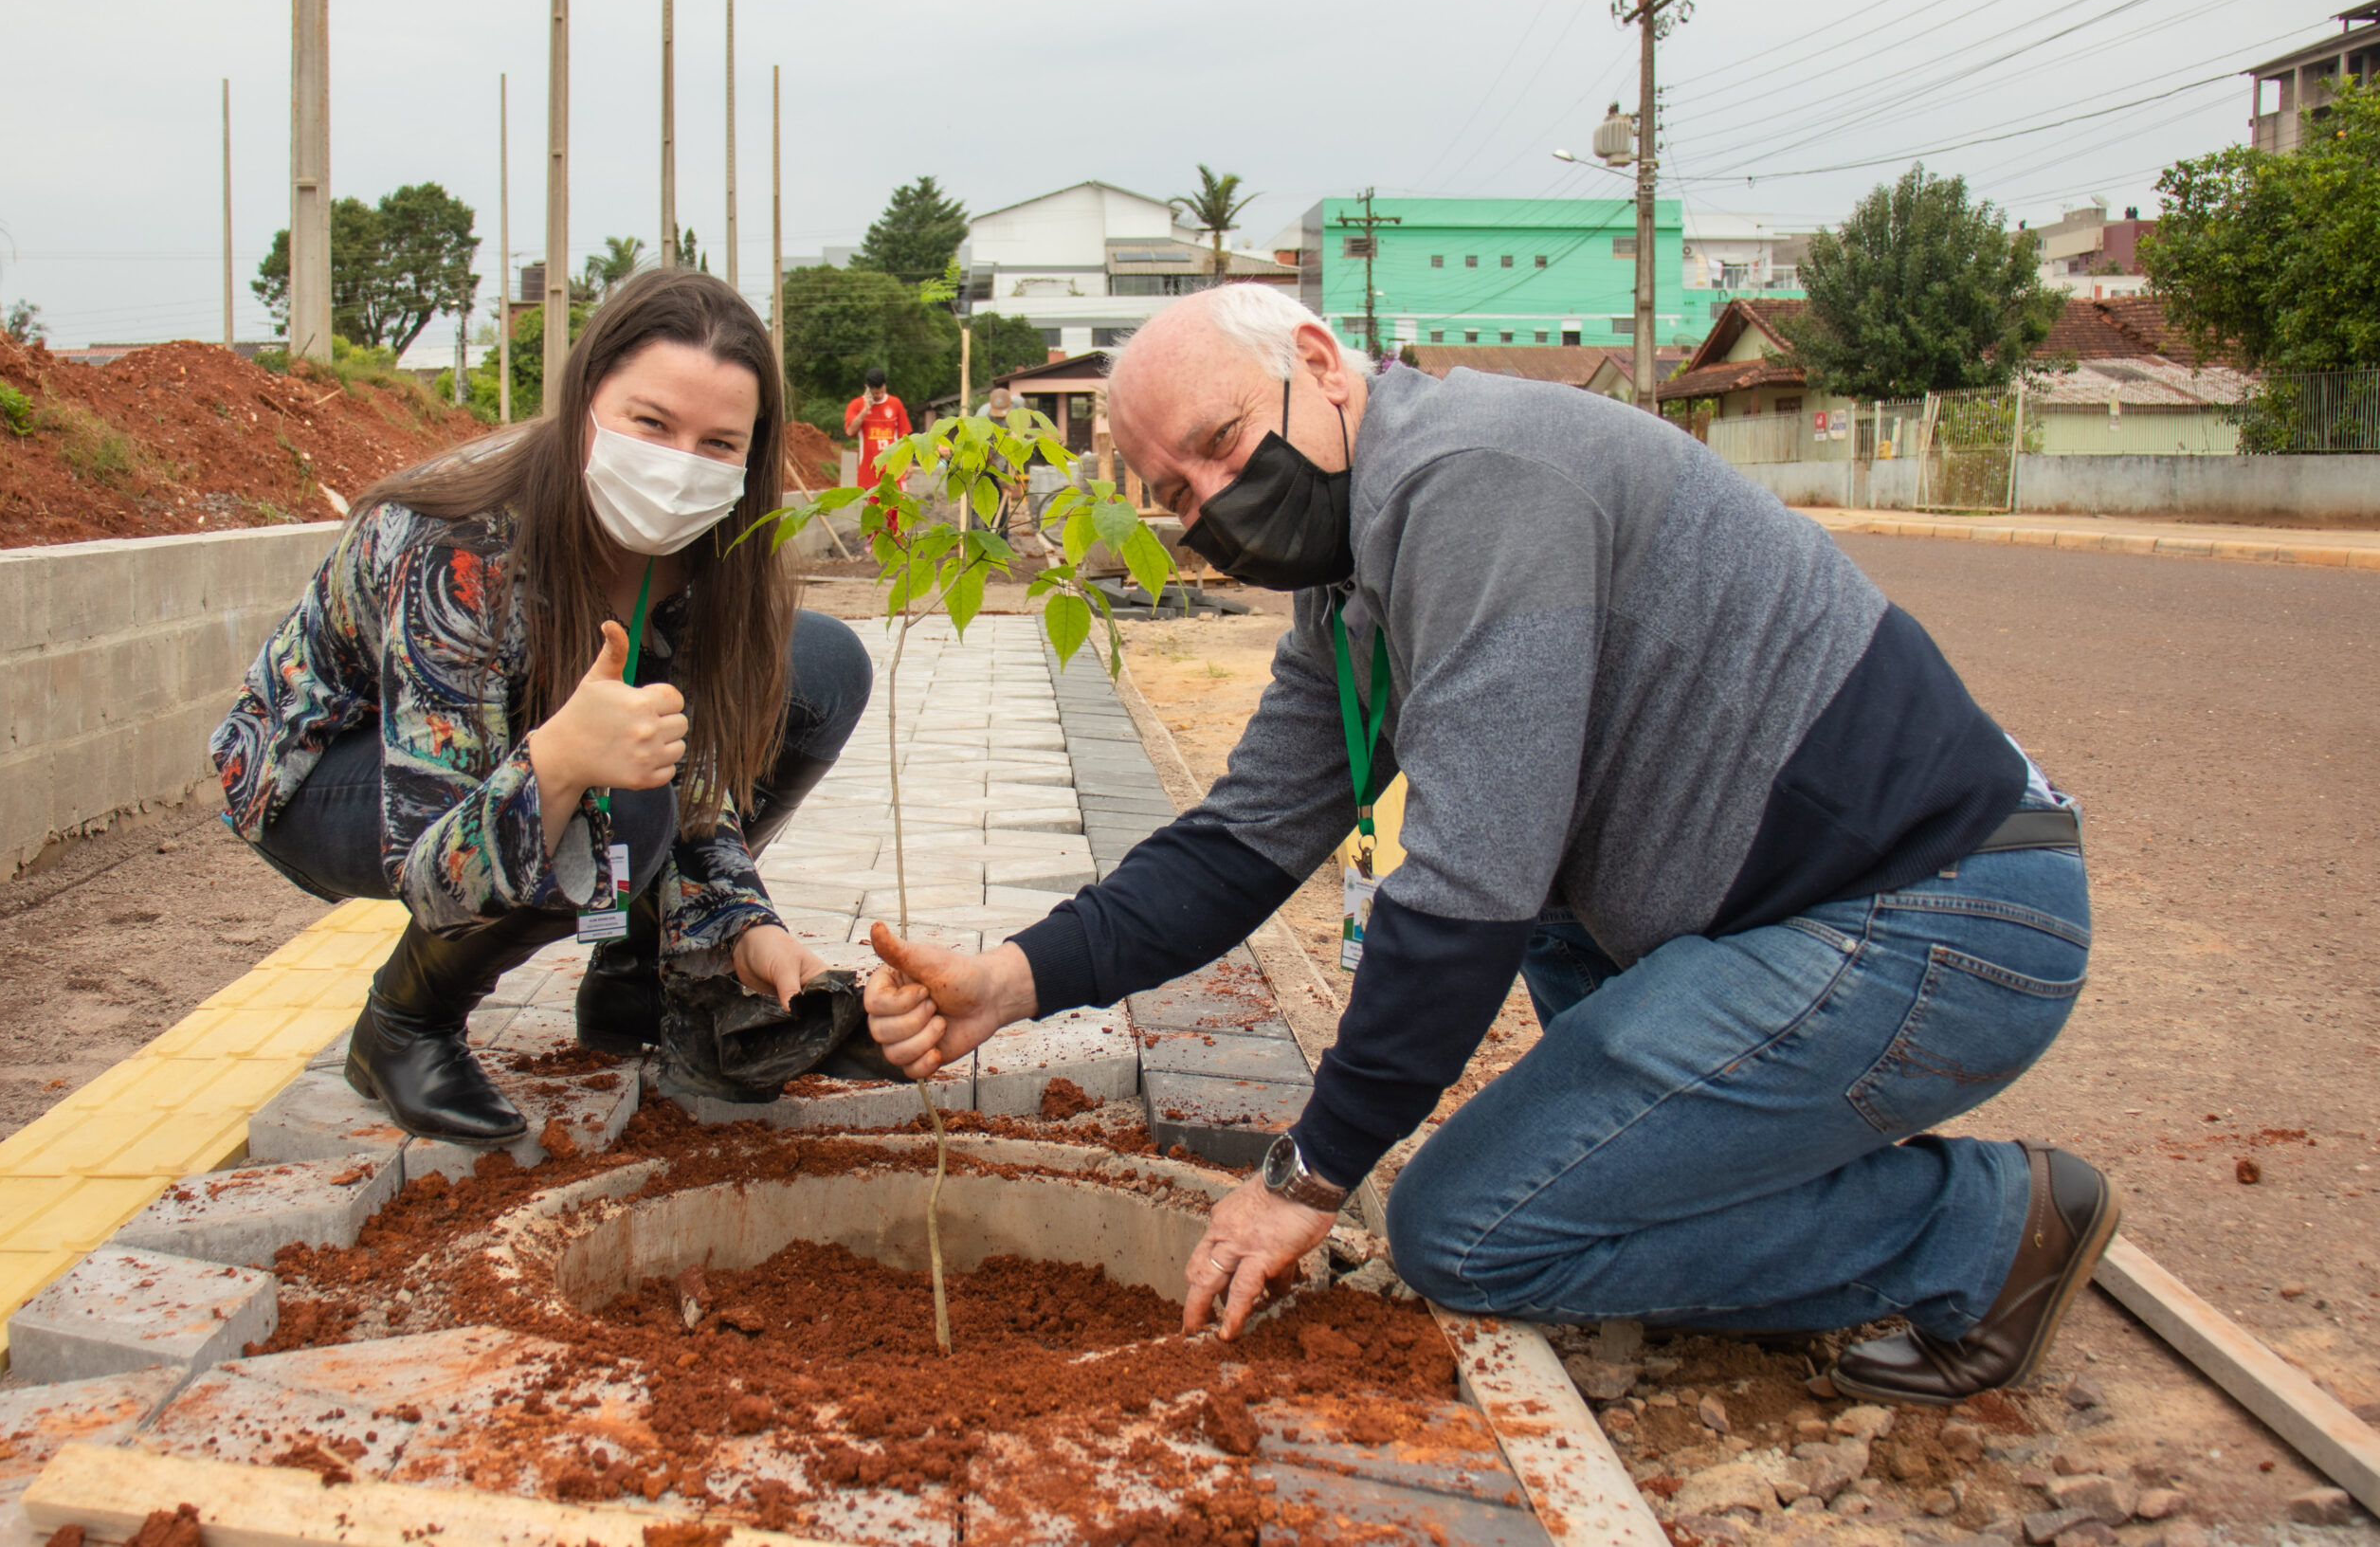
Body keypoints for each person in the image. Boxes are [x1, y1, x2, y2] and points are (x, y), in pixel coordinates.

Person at [862, 283, 2114, 1409]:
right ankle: (1739, 1163)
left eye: (1223, 442)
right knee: (1552, 962)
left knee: (1467, 1232)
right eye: (1179, 493)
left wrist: (1308, 1175)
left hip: (1934, 918)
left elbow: (1468, 883)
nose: (1214, 503)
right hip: (1790, 912)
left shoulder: (1474, 478)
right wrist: (1010, 981)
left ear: (1320, 362)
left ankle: (1984, 1232)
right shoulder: (1352, 576)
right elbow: (1242, 841)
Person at [213, 270, 873, 1146]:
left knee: (821, 667)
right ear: (586, 397)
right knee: (620, 802)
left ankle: (640, 975)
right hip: (331, 773)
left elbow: (693, 763)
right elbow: (430, 872)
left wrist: (743, 926)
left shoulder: (712, 551)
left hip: (510, 743)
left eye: (718, 443)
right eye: (652, 423)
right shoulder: (462, 550)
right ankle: (405, 1022)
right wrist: (557, 762)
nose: (680, 465)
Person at [844, 366, 911, 494]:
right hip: (869, 473)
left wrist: (908, 462)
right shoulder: (856, 405)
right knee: (872, 507)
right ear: (867, 388)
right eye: (875, 393)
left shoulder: (895, 403)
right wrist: (865, 410)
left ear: (885, 386)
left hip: (894, 471)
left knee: (900, 506)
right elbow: (850, 431)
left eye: (881, 392)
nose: (878, 396)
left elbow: (904, 436)